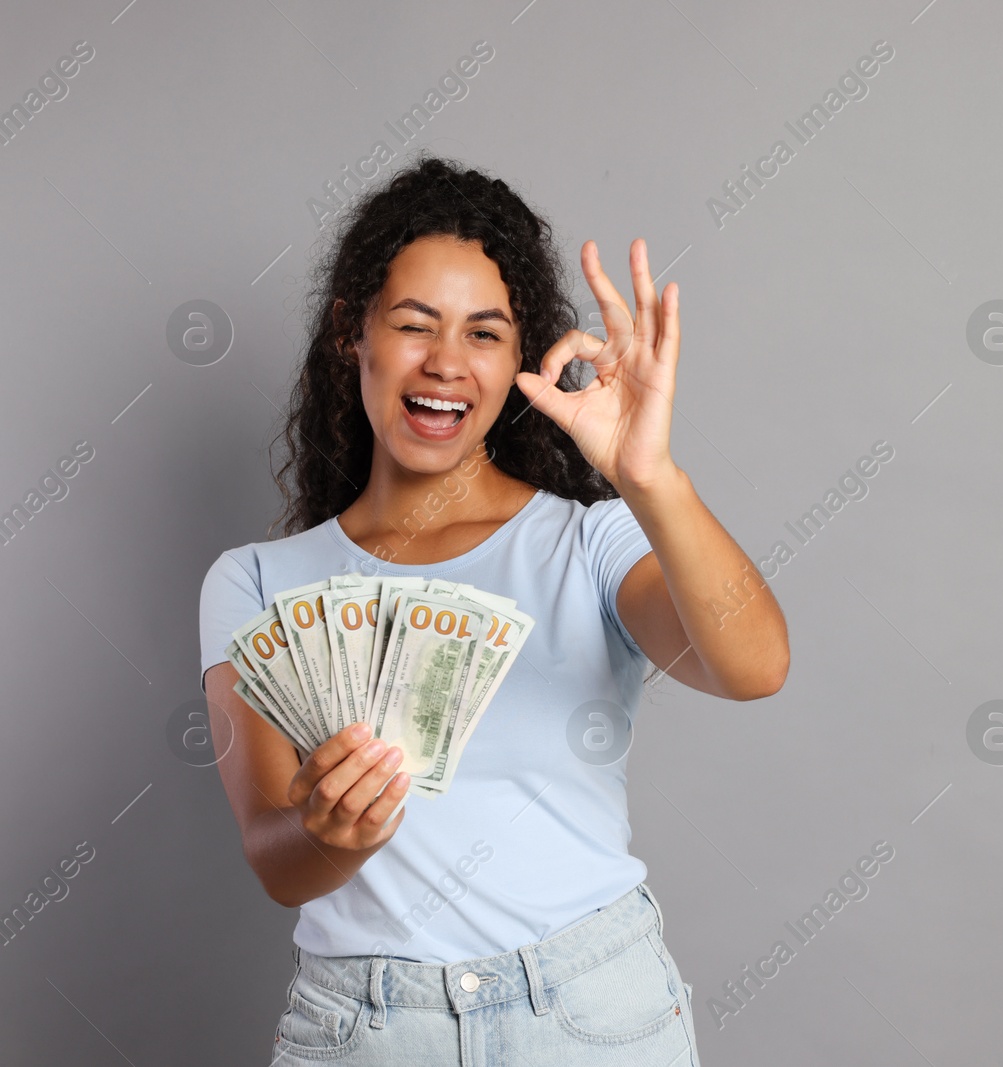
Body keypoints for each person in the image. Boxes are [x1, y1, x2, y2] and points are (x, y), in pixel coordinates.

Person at [197, 155, 788, 1064]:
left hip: (590, 1015)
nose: (445, 362)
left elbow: (756, 667)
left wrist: (649, 478)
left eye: (484, 332)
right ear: (350, 333)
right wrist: (329, 834)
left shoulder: (592, 543)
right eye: (413, 324)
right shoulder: (256, 583)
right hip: (368, 1029)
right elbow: (278, 863)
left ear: (521, 358)